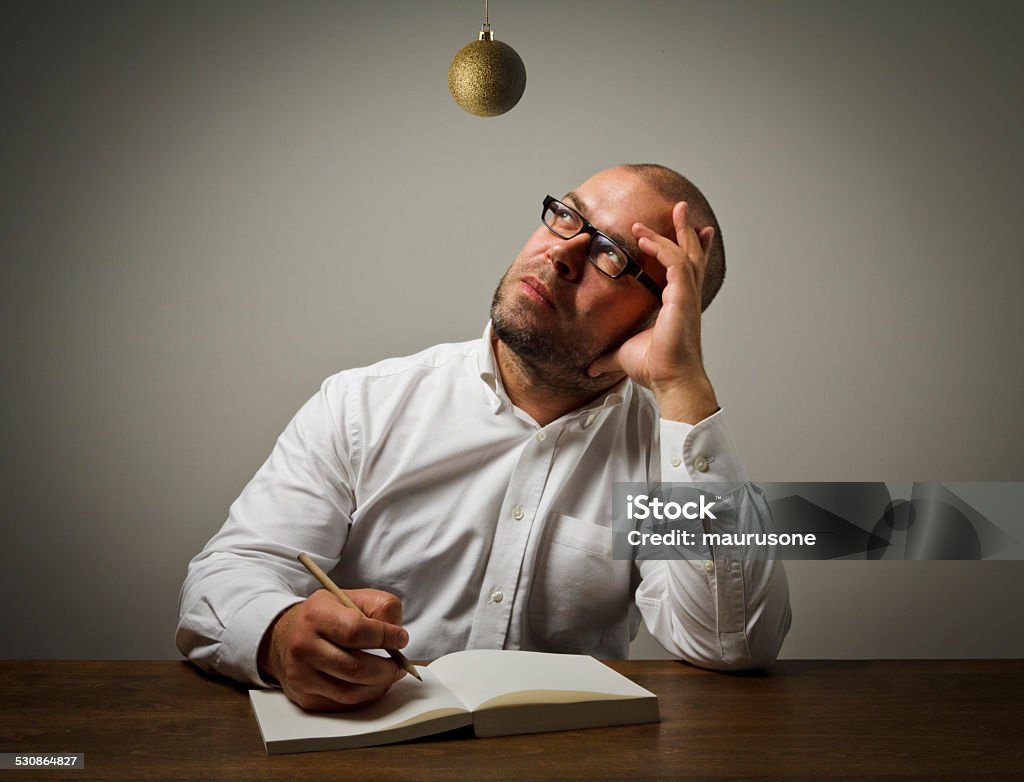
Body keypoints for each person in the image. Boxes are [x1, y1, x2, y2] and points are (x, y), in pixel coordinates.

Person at [176, 163, 792, 711]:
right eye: (568, 217)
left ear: (659, 316)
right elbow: (226, 574)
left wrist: (682, 383)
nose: (563, 252)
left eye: (610, 254)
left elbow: (730, 642)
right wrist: (281, 634)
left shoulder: (668, 457)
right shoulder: (362, 404)